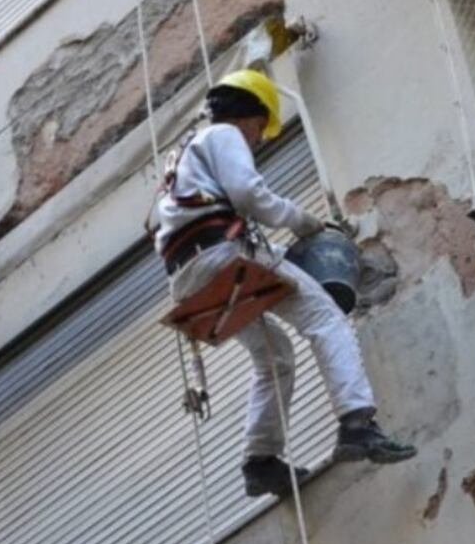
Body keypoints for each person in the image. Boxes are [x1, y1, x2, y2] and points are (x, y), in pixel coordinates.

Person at [154, 69, 416, 498]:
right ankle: (357, 423)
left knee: (275, 358)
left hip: (189, 276)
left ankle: (260, 462)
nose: (258, 140)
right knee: (325, 318)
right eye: (260, 128)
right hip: (223, 253)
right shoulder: (222, 136)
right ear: (248, 114)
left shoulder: (185, 156)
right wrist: (307, 224)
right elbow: (248, 194)